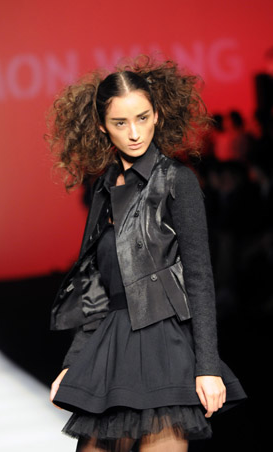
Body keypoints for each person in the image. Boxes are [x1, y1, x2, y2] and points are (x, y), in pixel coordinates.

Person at [46, 56, 246, 452]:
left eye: (143, 117)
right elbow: (94, 287)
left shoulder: (177, 181)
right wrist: (75, 360)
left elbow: (200, 278)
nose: (134, 133)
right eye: (121, 123)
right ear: (103, 127)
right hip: (112, 347)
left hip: (165, 343)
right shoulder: (103, 190)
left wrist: (207, 366)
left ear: (157, 115)